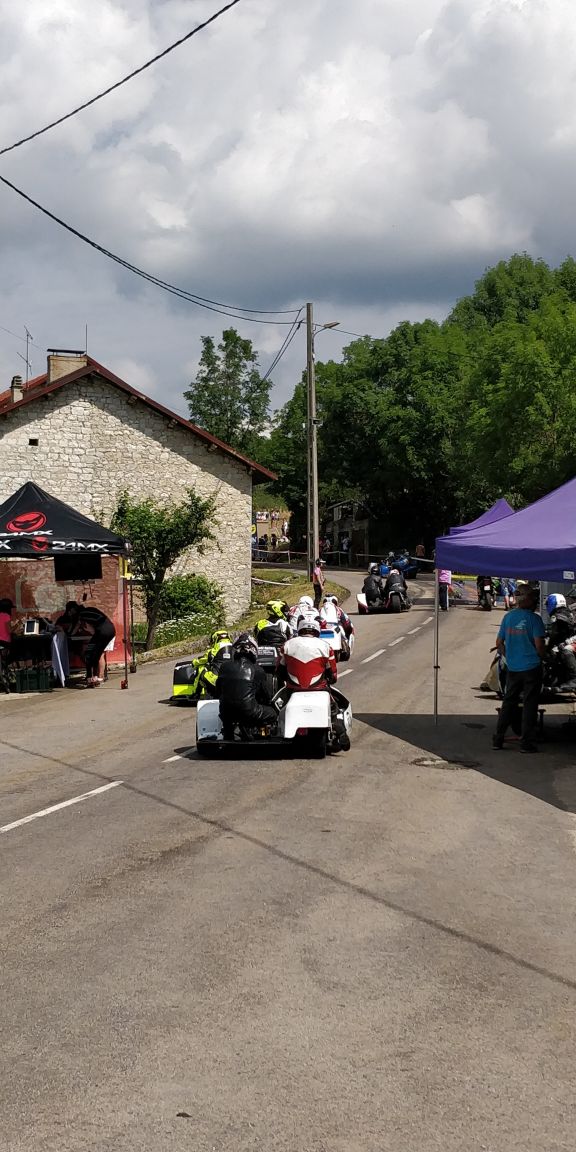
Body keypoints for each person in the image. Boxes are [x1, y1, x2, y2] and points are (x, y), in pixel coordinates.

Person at [493, 585, 546, 753]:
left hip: (513, 668)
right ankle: (526, 743)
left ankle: (498, 738)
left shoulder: (508, 617)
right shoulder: (535, 619)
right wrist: (542, 658)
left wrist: (509, 655)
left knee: (509, 702)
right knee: (530, 705)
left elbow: (499, 643)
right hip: (531, 668)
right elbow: (539, 646)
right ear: (529, 600)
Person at [217, 632, 277, 737]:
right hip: (249, 712)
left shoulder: (224, 667)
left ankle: (228, 730)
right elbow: (266, 696)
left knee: (226, 707)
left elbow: (217, 690)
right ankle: (264, 734)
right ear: (253, 650)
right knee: (272, 713)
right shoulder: (258, 670)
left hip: (226, 713)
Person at [62, 601, 116, 687]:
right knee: (93, 653)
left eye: (69, 611)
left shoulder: (80, 615)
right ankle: (94, 677)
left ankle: (92, 678)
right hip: (110, 629)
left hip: (102, 631)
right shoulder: (89, 610)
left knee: (91, 654)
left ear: (72, 610)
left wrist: (68, 634)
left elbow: (75, 628)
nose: (69, 614)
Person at [278, 615, 337, 691]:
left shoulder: (287, 645)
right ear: (317, 631)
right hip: (319, 688)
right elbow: (333, 676)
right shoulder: (326, 647)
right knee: (341, 702)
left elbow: (279, 671)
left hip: (292, 689)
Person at [545, 593, 576, 690]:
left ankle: (574, 680)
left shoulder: (558, 615)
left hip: (573, 640)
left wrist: (549, 646)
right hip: (572, 639)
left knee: (565, 649)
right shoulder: (566, 612)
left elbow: (555, 634)